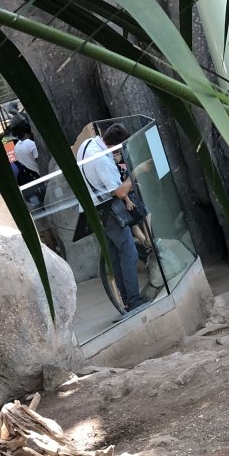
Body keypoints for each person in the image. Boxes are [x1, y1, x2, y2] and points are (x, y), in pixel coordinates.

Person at [79, 124, 148, 314]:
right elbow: (118, 191)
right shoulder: (101, 160)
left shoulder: (88, 144)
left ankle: (126, 299)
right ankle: (133, 300)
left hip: (94, 209)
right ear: (116, 146)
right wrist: (136, 173)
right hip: (108, 211)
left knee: (116, 256)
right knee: (129, 253)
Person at [7, 118, 47, 208]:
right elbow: (40, 162)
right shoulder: (31, 144)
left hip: (29, 180)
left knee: (39, 206)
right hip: (39, 178)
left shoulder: (16, 147)